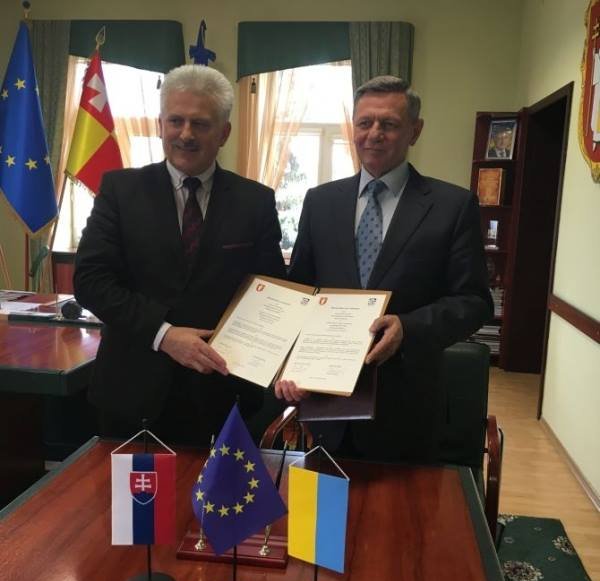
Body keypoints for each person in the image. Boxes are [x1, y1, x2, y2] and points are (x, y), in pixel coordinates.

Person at [276, 76, 492, 462]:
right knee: (324, 501)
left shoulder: (452, 206)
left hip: (406, 409)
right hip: (326, 406)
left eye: (389, 124)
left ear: (415, 130)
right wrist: (288, 363)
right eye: (365, 123)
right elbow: (302, 293)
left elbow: (474, 302)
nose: (374, 133)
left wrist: (408, 328)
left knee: (399, 504)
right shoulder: (321, 201)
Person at [74, 65, 286, 443]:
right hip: (132, 395)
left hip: (223, 396)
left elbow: (271, 292)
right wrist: (164, 334)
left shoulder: (255, 202)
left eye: (200, 124)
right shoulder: (120, 191)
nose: (186, 134)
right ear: (160, 125)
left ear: (224, 133)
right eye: (176, 121)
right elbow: (90, 282)